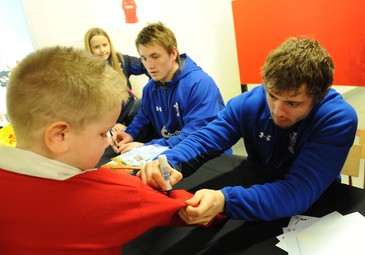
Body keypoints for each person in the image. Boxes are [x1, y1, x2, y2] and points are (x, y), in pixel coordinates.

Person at [0, 46, 224, 254]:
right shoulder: (110, 194)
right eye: (102, 133)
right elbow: (195, 210)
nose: (107, 142)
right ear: (59, 136)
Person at [139, 37, 358, 225]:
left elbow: (299, 190)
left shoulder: (337, 118)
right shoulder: (250, 102)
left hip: (312, 209)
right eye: (272, 95)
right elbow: (206, 137)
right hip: (260, 193)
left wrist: (225, 201)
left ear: (318, 97)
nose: (277, 111)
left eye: (292, 103)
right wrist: (169, 160)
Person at [111, 22, 227, 154]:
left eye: (155, 57)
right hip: (173, 153)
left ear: (173, 54)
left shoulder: (199, 84)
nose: (149, 65)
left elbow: (195, 136)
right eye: (144, 58)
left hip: (207, 156)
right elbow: (143, 118)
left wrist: (147, 147)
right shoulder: (150, 88)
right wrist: (129, 134)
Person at [84, 27, 149, 132]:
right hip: (109, 121)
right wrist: (111, 124)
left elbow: (147, 65)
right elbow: (90, 107)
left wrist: (154, 87)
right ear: (90, 49)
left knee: (148, 101)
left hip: (130, 110)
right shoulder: (86, 72)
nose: (102, 50)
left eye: (105, 45)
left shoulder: (121, 59)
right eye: (96, 47)